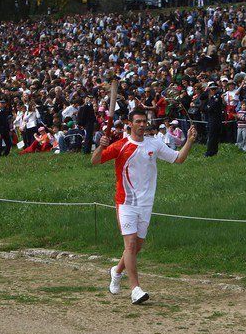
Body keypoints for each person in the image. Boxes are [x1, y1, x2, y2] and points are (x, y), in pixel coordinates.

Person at [91, 108, 197, 305]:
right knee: (130, 245)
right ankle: (135, 289)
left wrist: (189, 141)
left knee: (136, 247)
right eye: (138, 121)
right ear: (130, 123)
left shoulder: (154, 144)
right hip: (126, 203)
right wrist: (100, 146)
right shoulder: (121, 145)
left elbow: (178, 158)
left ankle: (116, 271)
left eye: (144, 121)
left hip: (146, 204)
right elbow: (95, 160)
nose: (141, 125)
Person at [204, 82, 222, 157]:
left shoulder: (216, 98)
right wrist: (206, 90)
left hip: (215, 119)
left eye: (214, 89)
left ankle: (210, 152)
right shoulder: (211, 97)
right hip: (211, 118)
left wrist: (207, 107)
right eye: (212, 89)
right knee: (212, 135)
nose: (213, 90)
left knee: (212, 136)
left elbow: (210, 108)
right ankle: (213, 151)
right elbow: (202, 98)